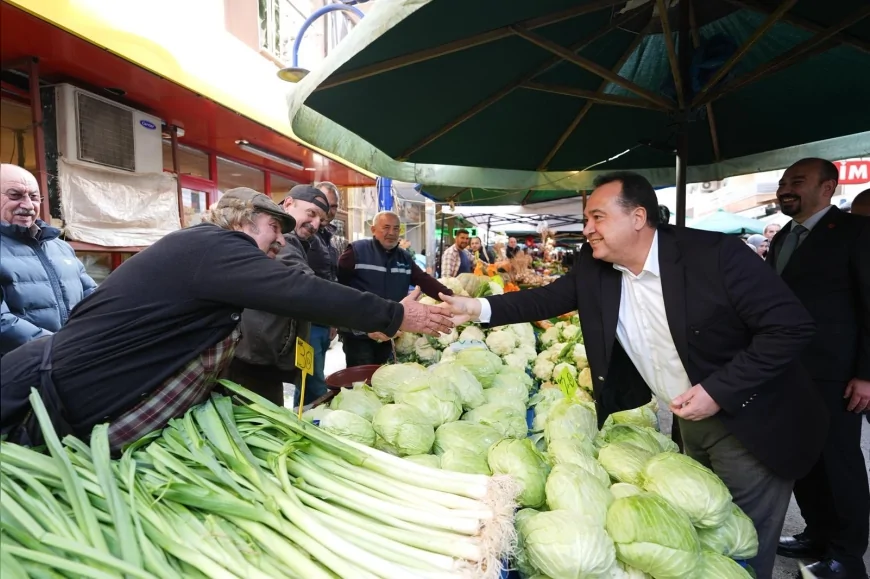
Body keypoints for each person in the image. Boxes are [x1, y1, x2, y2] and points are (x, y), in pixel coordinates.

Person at [439, 171, 826, 579]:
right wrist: (477, 309)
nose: (587, 229)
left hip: (753, 418)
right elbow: (548, 298)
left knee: (739, 543)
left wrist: (718, 389)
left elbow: (791, 327)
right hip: (689, 419)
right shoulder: (596, 266)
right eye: (586, 218)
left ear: (638, 217)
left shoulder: (715, 255)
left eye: (597, 217)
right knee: (701, 539)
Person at [0, 188, 452, 451]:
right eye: (275, 229)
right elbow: (298, 291)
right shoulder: (216, 247)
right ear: (244, 220)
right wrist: (395, 314)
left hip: (79, 387)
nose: (279, 243)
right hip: (57, 392)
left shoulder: (209, 254)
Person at [769, 158, 870, 579]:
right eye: (782, 182)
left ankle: (847, 556)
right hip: (787, 371)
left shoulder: (856, 233)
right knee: (803, 458)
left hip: (837, 373)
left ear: (828, 188)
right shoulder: (782, 239)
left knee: (838, 462)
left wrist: (867, 373)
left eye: (797, 181)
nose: (785, 188)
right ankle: (818, 532)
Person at [223, 185, 331, 407]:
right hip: (253, 359)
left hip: (269, 358)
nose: (316, 224)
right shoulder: (284, 242)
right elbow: (305, 287)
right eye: (311, 213)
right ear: (289, 203)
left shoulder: (300, 243)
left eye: (322, 219)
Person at [1, 164, 96, 356]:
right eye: (15, 195)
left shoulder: (60, 247)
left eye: (34, 197)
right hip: (17, 372)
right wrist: (61, 349)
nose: (28, 205)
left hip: (69, 363)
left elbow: (94, 299)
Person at [337, 211, 454, 367]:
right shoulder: (356, 251)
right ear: (373, 230)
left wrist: (452, 297)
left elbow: (424, 281)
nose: (391, 233)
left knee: (383, 377)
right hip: (359, 335)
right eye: (386, 227)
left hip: (389, 331)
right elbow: (339, 287)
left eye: (396, 228)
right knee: (361, 380)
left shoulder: (404, 258)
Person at [304, 181, 341, 407]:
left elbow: (331, 278)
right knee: (312, 382)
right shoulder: (304, 234)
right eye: (325, 205)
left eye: (334, 206)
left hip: (322, 322)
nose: (329, 212)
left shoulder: (327, 236)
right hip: (306, 323)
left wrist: (332, 320)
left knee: (314, 378)